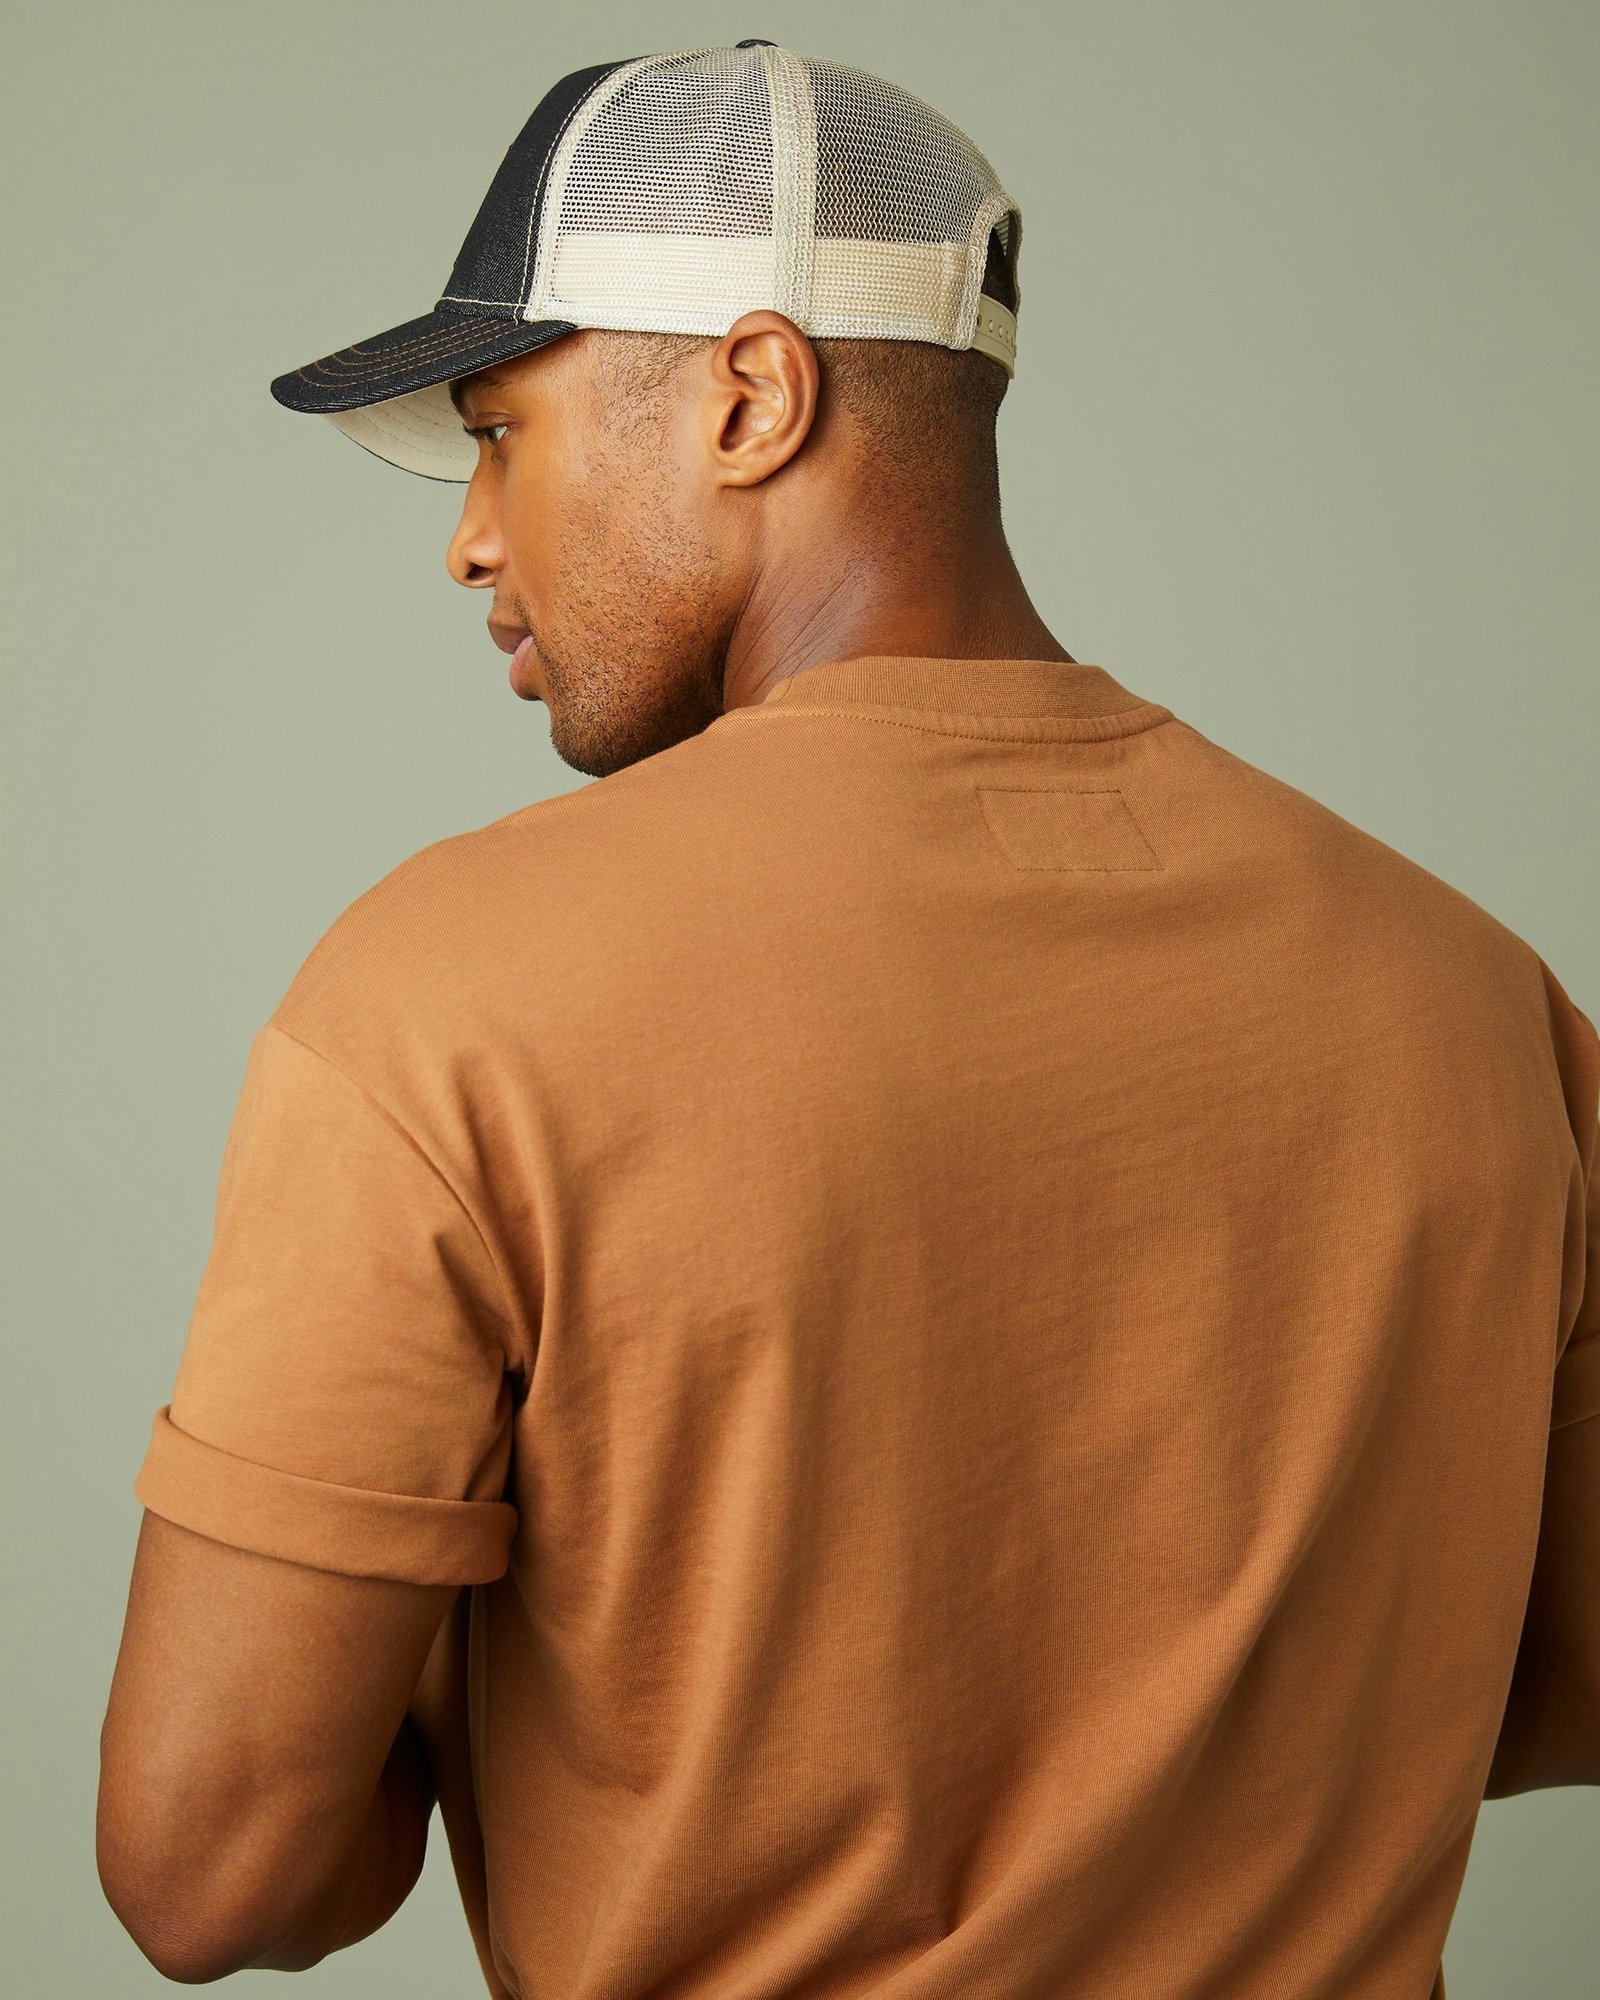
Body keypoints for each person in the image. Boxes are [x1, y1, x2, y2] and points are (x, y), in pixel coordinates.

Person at [97, 40, 1598, 2000]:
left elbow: (212, 1872)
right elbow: (1562, 1681)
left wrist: (524, 1655)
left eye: (501, 430)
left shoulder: (447, 994)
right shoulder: (1472, 994)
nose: (469, 533)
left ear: (751, 395)